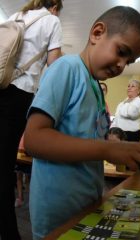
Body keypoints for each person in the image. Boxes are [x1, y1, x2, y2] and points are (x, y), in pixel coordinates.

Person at [23, 6, 140, 239]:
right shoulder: (67, 68)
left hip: (86, 210)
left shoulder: (95, 87)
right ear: (97, 33)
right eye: (121, 51)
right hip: (57, 218)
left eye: (129, 61)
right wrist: (108, 149)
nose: (121, 65)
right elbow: (34, 139)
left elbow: (88, 141)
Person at [0, 0, 63, 239]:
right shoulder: (52, 20)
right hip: (19, 92)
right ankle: (9, 233)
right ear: (56, 7)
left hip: (1, 82)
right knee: (5, 166)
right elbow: (54, 65)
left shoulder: (18, 15)